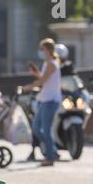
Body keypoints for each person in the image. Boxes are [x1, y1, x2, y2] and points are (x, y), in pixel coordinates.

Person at [21, 38, 62, 167]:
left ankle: (50, 158)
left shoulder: (51, 63)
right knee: (36, 128)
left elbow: (42, 81)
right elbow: (44, 78)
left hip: (51, 100)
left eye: (42, 49)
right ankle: (53, 151)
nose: (41, 51)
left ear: (48, 50)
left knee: (45, 130)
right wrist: (36, 73)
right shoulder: (47, 63)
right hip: (45, 99)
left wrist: (27, 87)